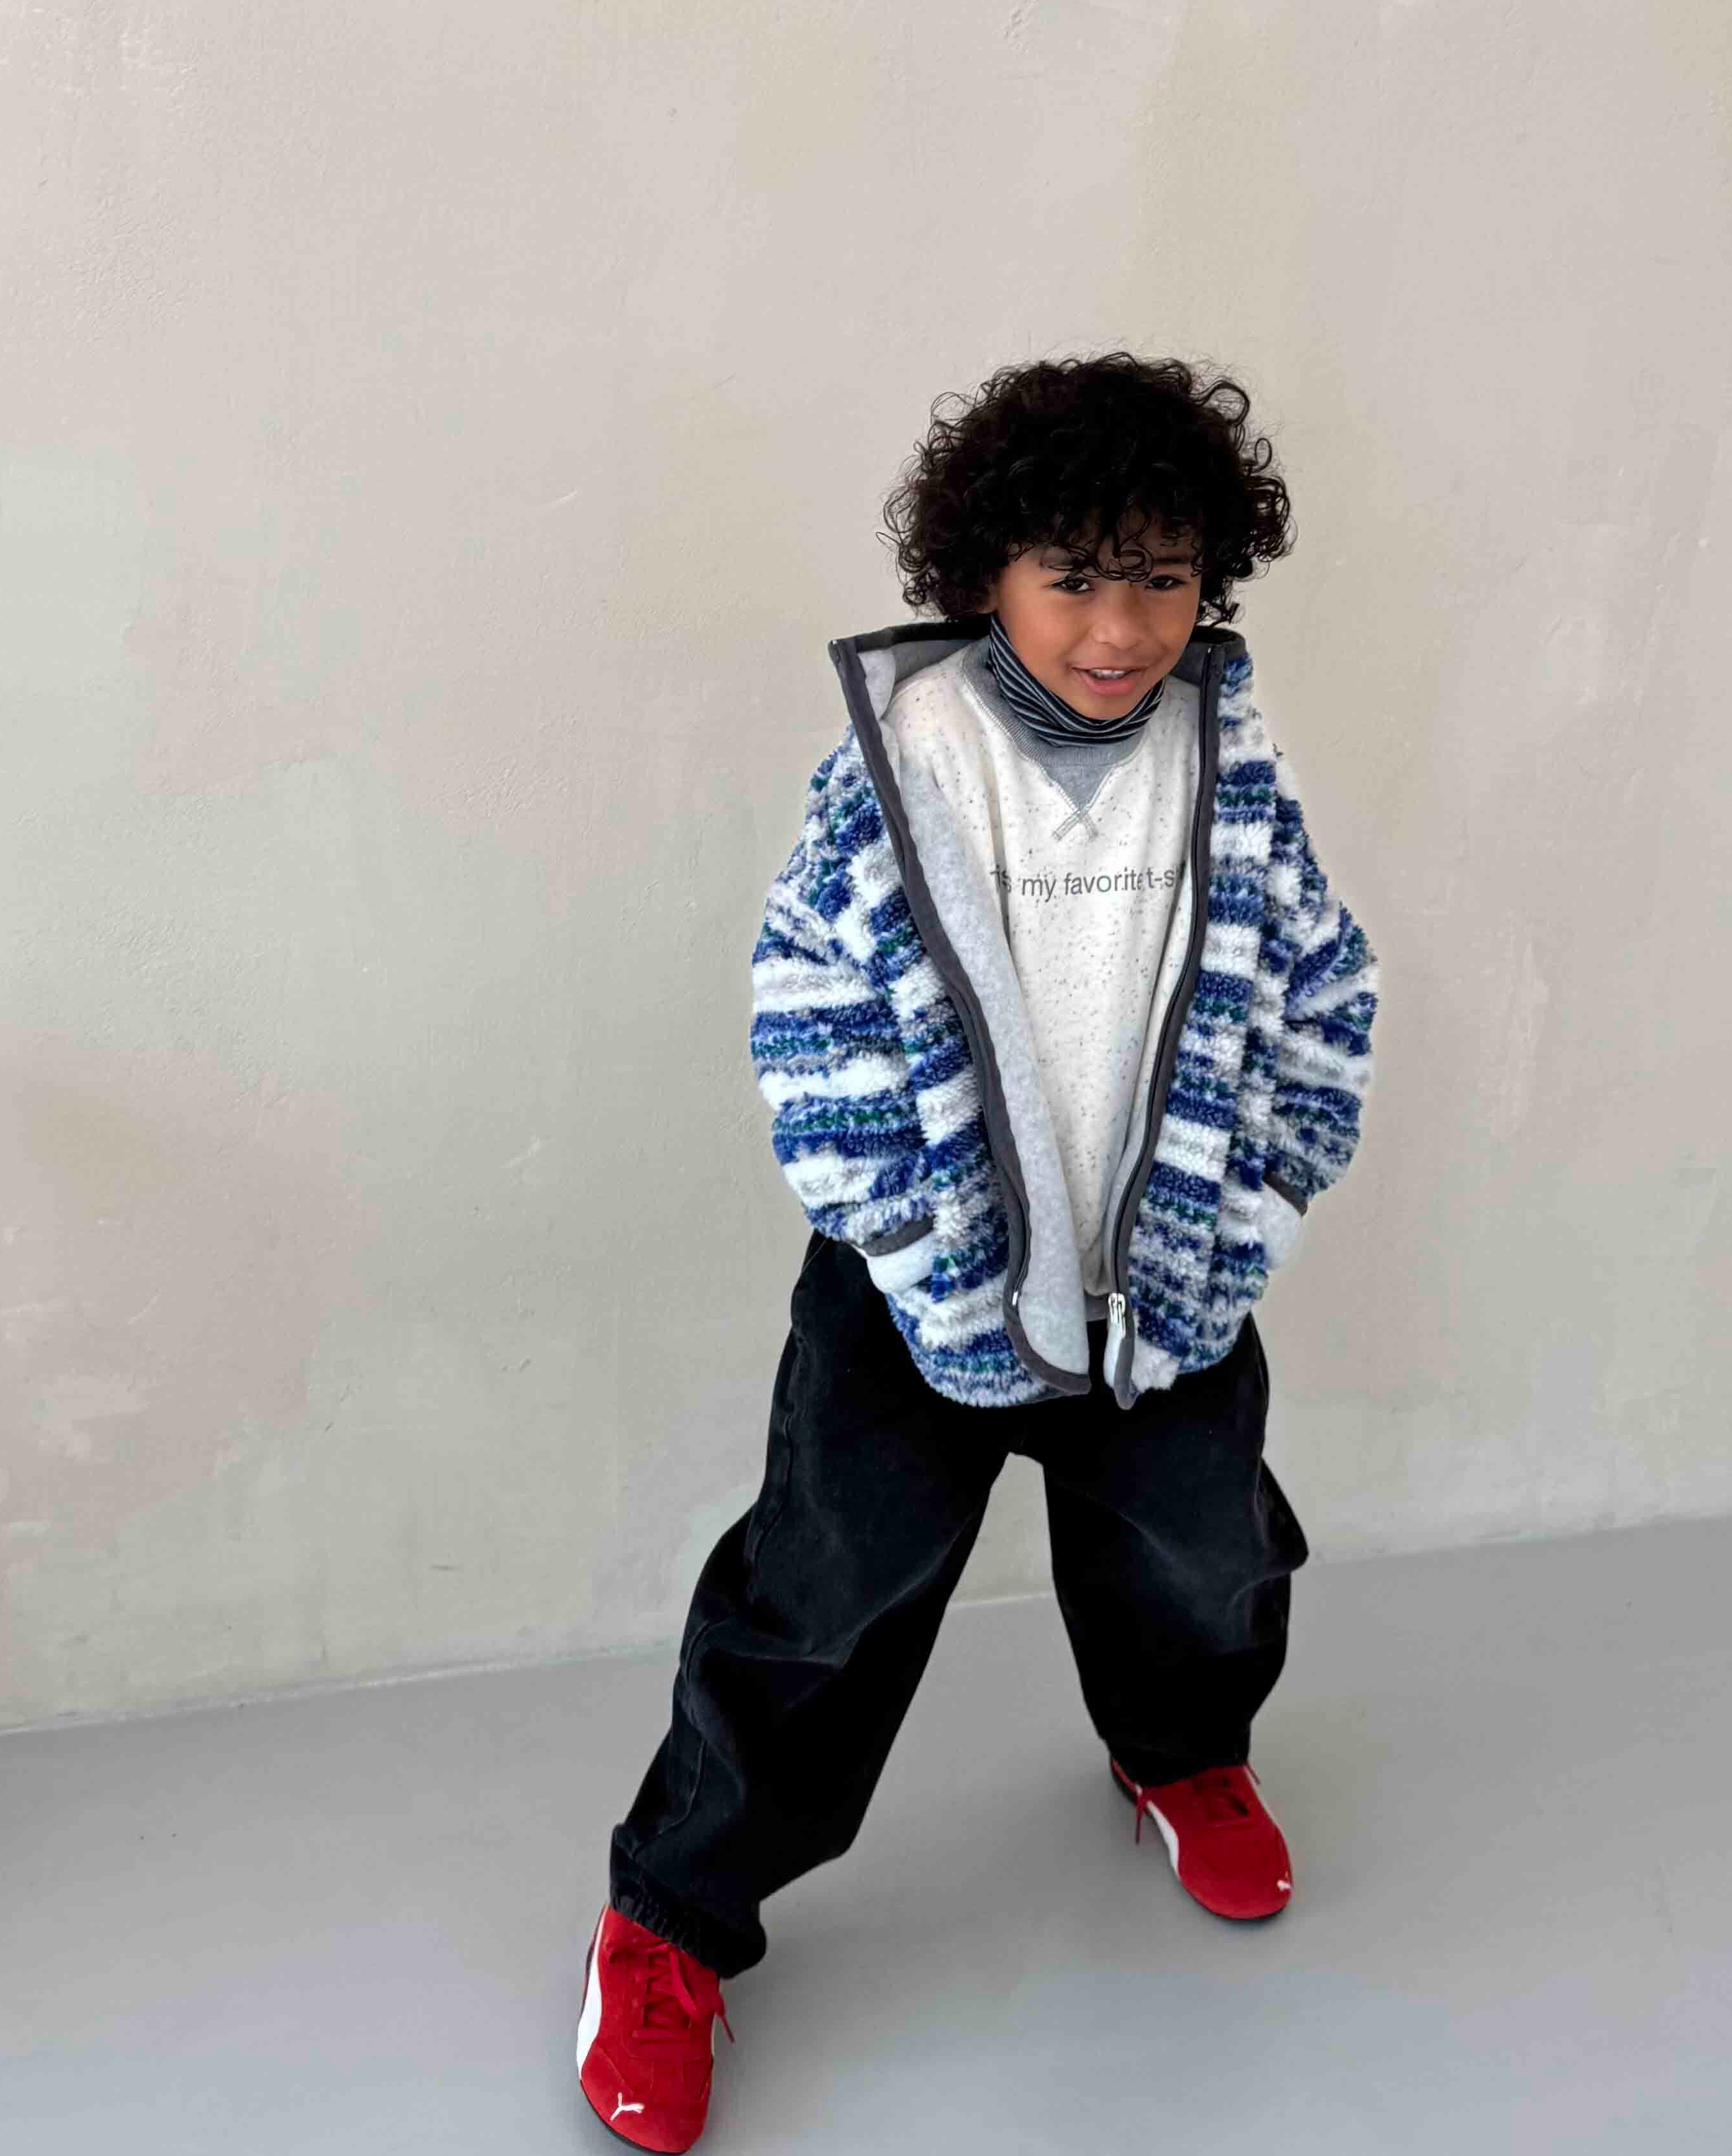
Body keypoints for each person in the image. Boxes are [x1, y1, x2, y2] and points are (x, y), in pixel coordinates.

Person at [575, 353, 1381, 2150]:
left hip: (1157, 1286)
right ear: (983, 575)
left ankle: (1183, 1753)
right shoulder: (913, 758)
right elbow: (809, 1006)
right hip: (917, 1294)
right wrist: (911, 1245)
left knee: (1202, 1559)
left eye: (1162, 578)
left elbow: (1320, 983)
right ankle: (672, 1914)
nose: (1121, 627)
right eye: (1073, 576)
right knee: (821, 1596)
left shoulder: (1225, 763)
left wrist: (1252, 1203)